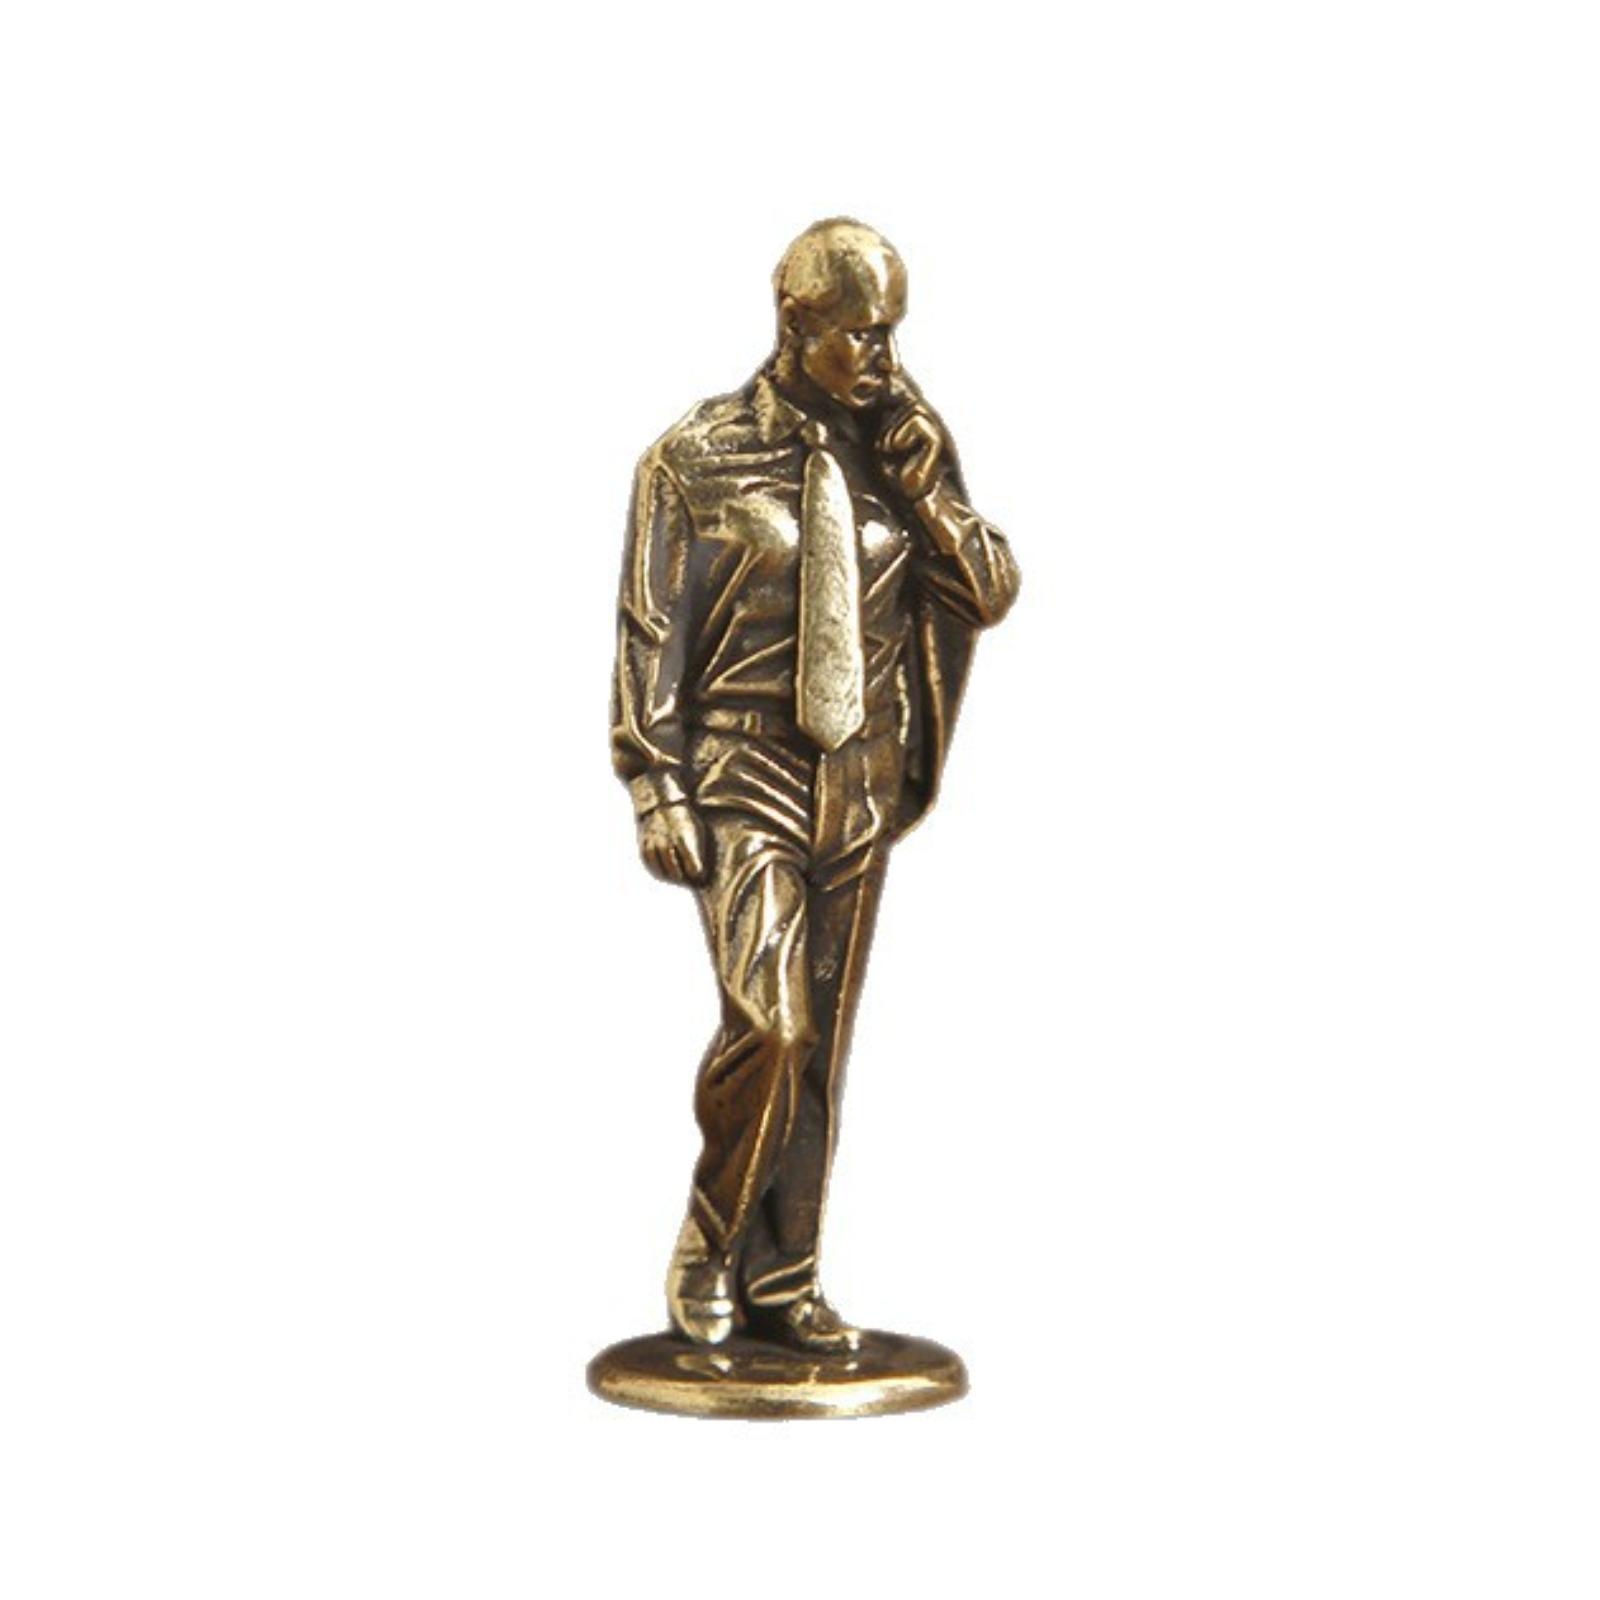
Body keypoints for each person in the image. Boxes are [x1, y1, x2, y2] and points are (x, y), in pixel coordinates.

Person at [611, 218, 1019, 1351]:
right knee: (773, 1023)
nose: (884, 355)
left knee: (823, 1046)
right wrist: (656, 783)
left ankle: (786, 1279)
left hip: (860, 778)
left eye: (892, 332)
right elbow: (650, 628)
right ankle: (710, 1236)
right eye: (861, 334)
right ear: (796, 322)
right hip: (742, 769)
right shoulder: (694, 457)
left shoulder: (901, 449)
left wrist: (929, 489)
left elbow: (987, 592)